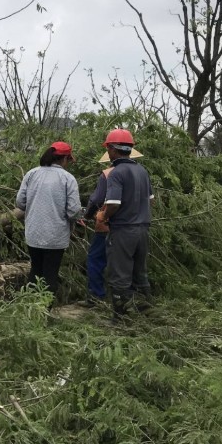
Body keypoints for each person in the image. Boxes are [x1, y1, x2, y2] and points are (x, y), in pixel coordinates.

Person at [99, 129, 154, 322]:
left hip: (123, 230)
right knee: (139, 272)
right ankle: (148, 314)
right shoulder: (142, 170)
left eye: (108, 149)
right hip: (142, 229)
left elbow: (113, 203)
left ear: (113, 149)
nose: (108, 153)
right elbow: (151, 200)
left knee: (119, 275)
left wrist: (104, 216)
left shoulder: (116, 173)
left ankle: (119, 319)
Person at [16, 141, 82, 299]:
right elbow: (74, 211)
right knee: (50, 274)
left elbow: (20, 202)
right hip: (55, 236)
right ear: (64, 159)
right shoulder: (68, 179)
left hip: (33, 233)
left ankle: (30, 308)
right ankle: (44, 312)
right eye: (69, 161)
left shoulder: (32, 174)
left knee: (36, 270)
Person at [83, 146, 145, 307]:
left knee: (96, 259)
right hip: (136, 227)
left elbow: (97, 199)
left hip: (109, 226)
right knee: (129, 263)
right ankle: (130, 299)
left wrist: (88, 215)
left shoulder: (109, 174)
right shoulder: (141, 173)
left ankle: (97, 296)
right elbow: (149, 201)